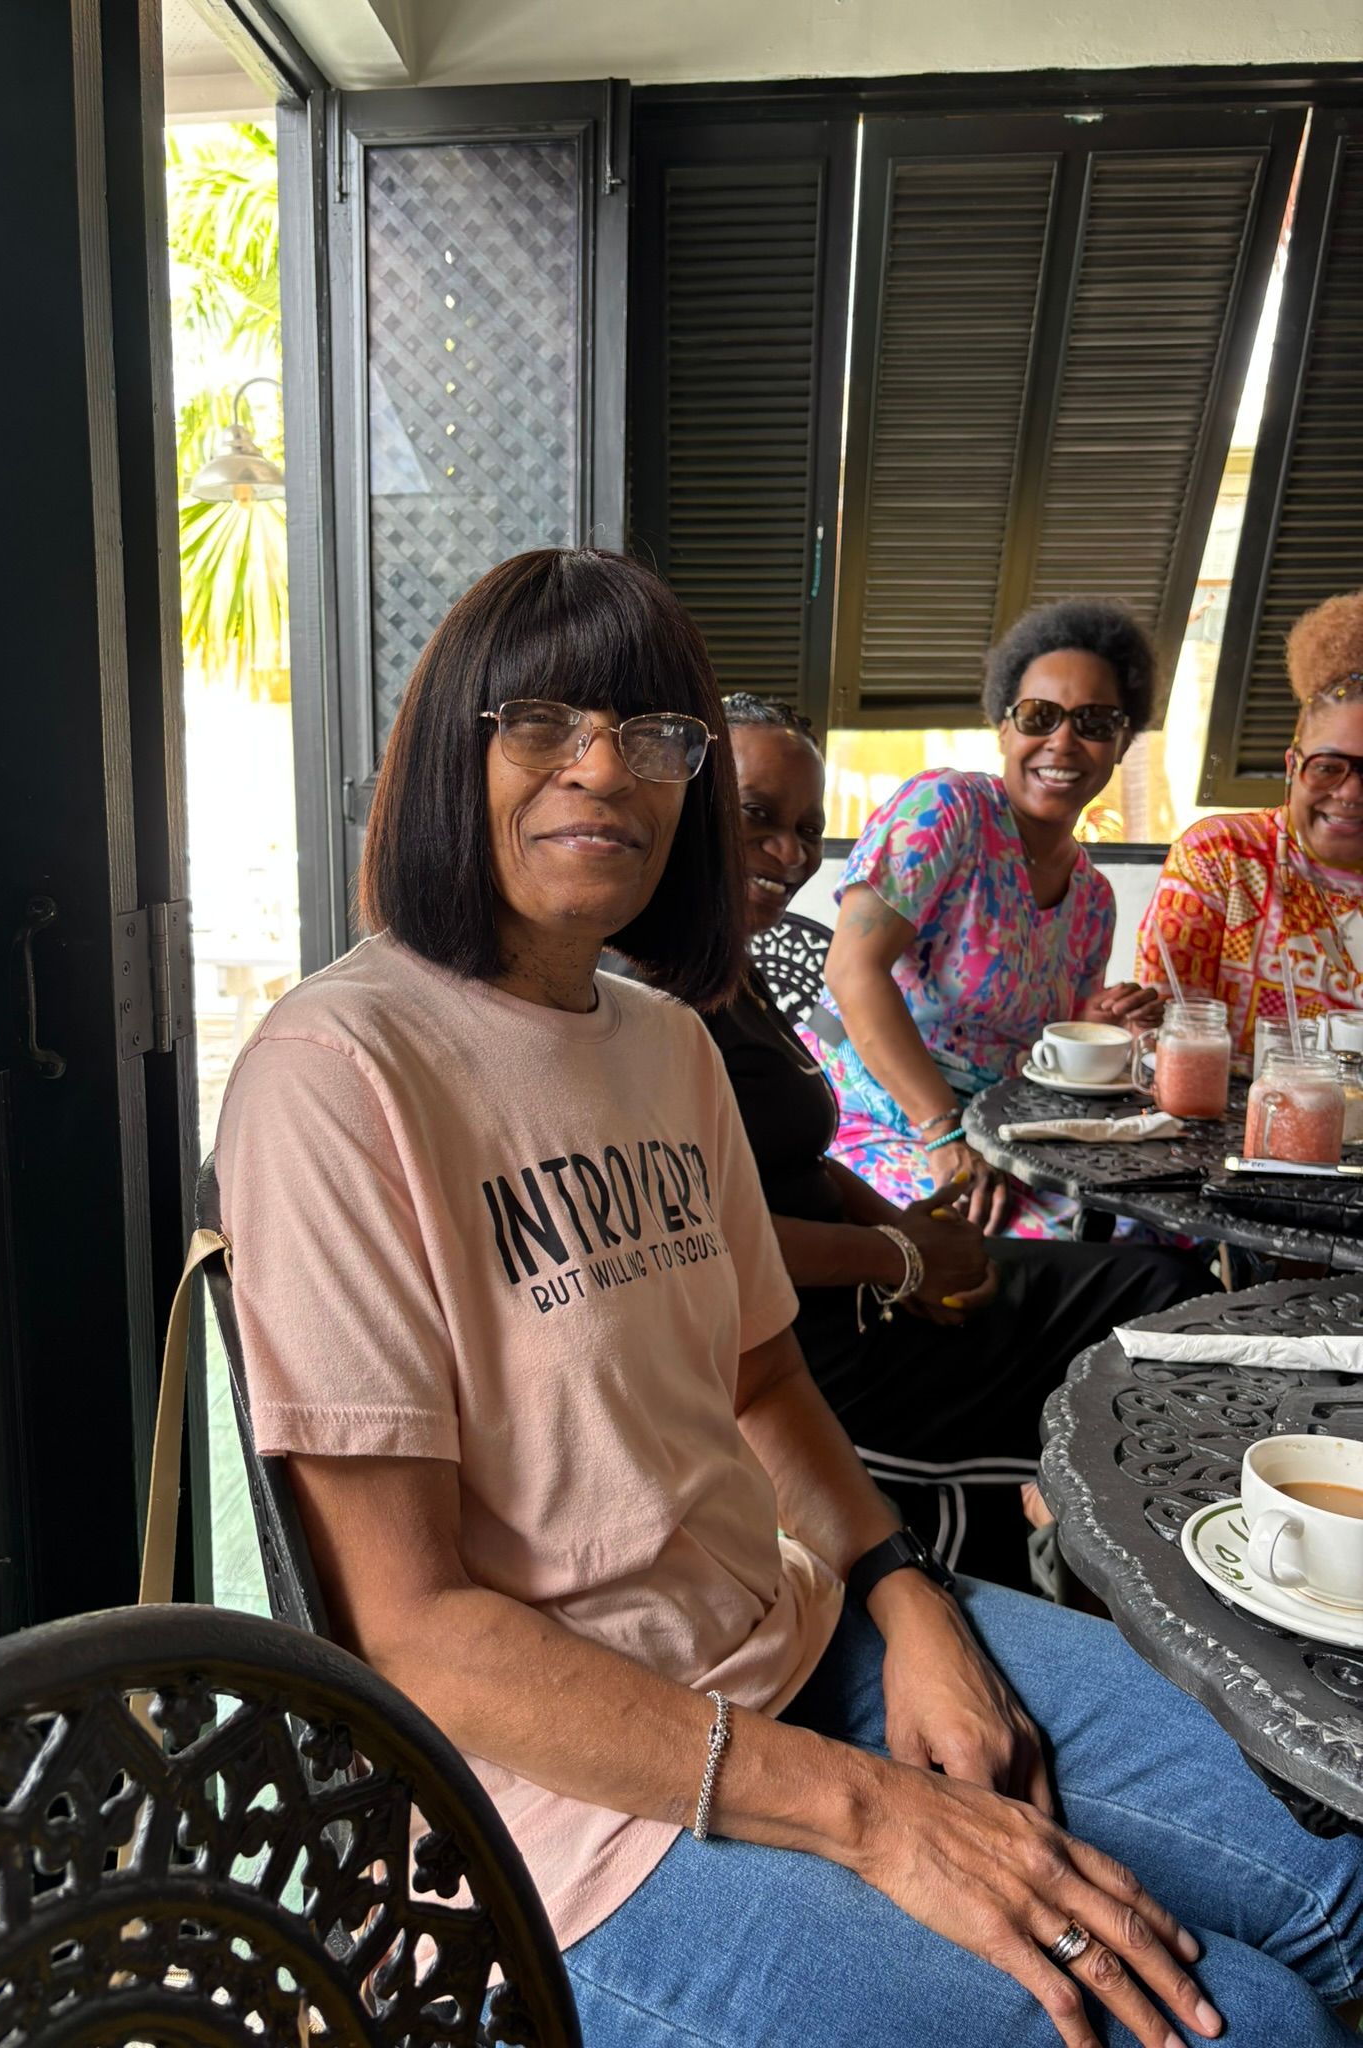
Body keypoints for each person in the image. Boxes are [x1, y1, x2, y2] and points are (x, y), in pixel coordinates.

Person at [216, 549, 1363, 2047]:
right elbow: (412, 1625)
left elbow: (761, 1386)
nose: (605, 771)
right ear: (449, 747)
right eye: (542, 721)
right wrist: (877, 1817)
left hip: (807, 1639)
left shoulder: (661, 1044)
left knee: (1336, 1889)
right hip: (566, 1814)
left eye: (654, 736)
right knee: (1256, 2026)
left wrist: (910, 1596)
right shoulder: (338, 1072)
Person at [694, 692, 1211, 1588]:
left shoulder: (722, 978)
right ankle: (1077, 1551)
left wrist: (914, 1238)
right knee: (1133, 1328)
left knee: (1164, 1279)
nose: (791, 855)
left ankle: (1120, 1541)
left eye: (809, 829)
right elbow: (702, 1245)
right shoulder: (645, 1001)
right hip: (816, 1358)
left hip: (871, 1270)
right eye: (755, 818)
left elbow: (797, 1162)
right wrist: (899, 1254)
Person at [802, 599, 1163, 1239]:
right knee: (1018, 1251)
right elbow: (852, 971)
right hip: (868, 1110)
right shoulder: (947, 809)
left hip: (1003, 1129)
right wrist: (942, 1133)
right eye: (1039, 716)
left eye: (1095, 721)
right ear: (1004, 728)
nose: (1063, 741)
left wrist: (1105, 1024)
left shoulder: (1093, 900)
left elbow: (1052, 1048)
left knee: (1148, 1232)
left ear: (1122, 742)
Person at [1138, 590, 1363, 1061]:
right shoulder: (1222, 859)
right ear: (1292, 765)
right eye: (1327, 767)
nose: (1350, 793)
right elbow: (1165, 1041)